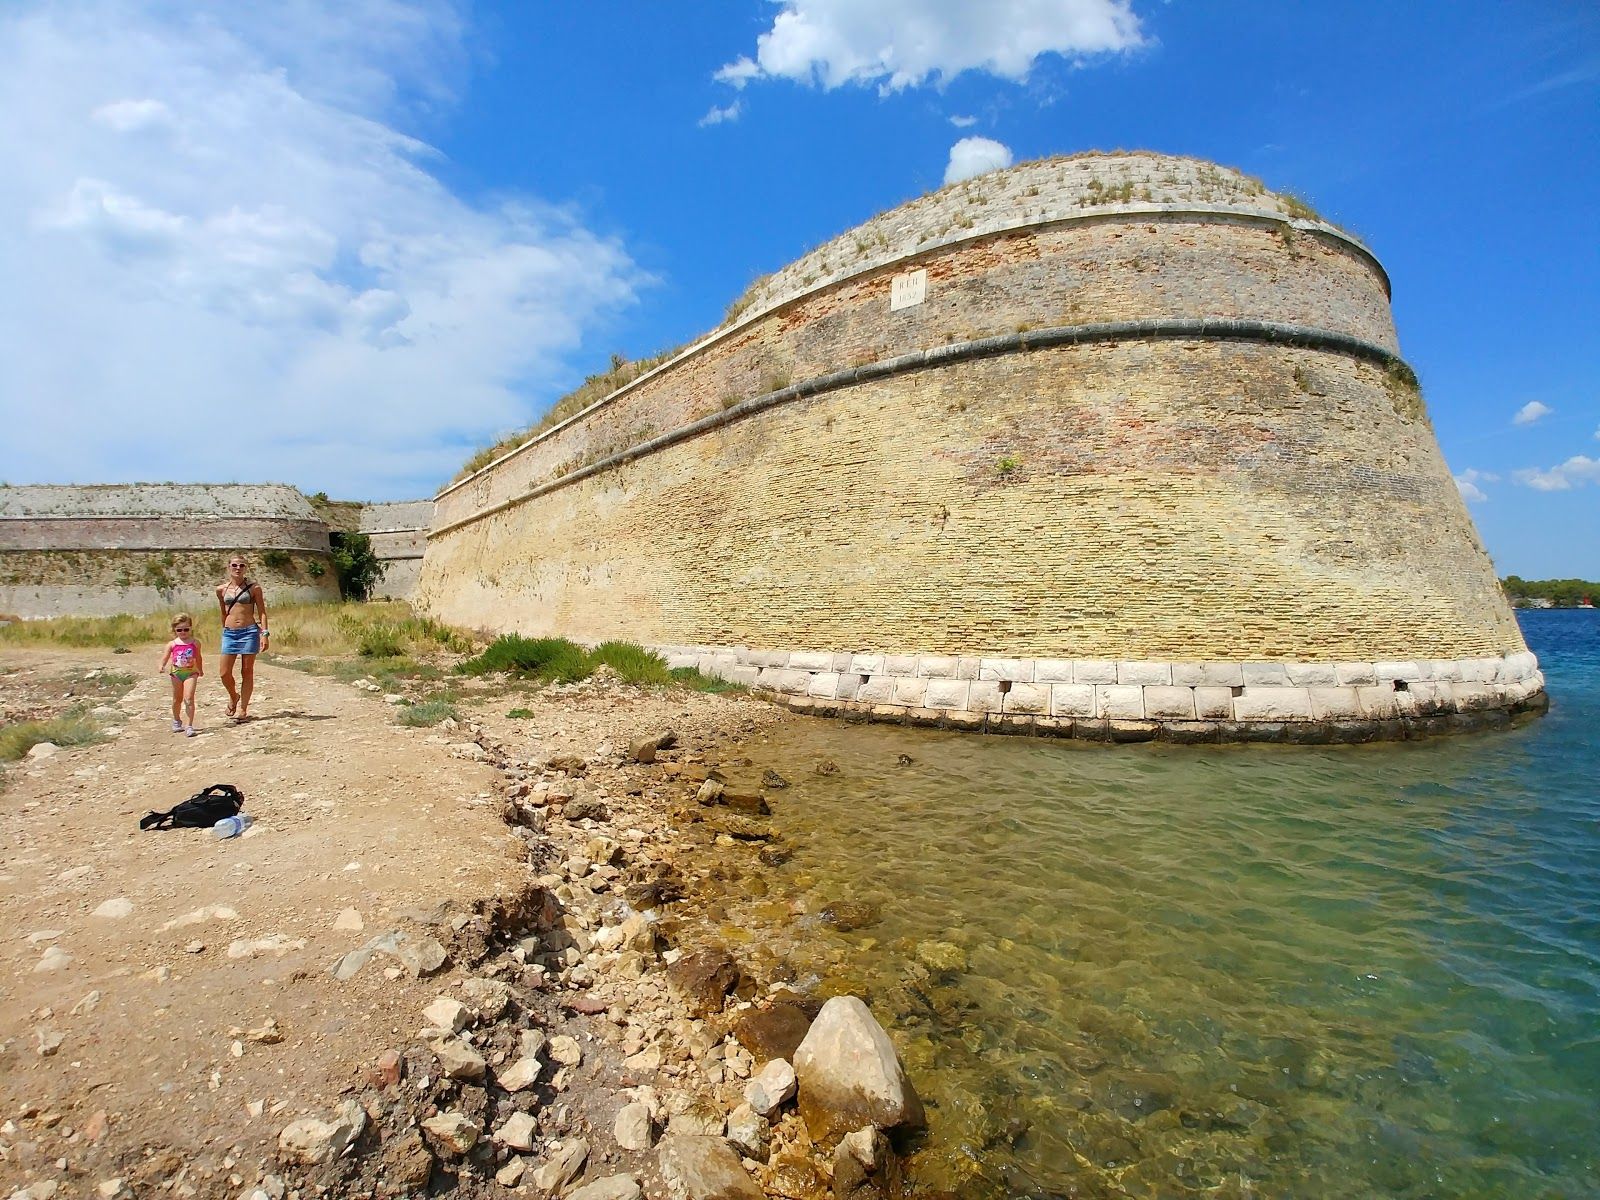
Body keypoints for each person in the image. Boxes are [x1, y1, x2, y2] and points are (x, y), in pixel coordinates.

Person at [216, 555, 270, 721]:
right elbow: (223, 612)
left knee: (247, 671)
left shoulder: (254, 588)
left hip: (249, 632)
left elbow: (262, 612)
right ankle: (234, 696)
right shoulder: (221, 590)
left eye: (241, 565)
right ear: (228, 567)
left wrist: (265, 634)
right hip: (230, 633)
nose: (238, 568)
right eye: (234, 565)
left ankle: (243, 709)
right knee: (224, 673)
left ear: (246, 568)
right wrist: (224, 629)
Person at [159, 612, 203, 736]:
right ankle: (177, 720)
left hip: (191, 673)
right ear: (174, 630)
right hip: (176, 674)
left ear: (190, 628)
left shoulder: (195, 643)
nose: (183, 632)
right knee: (177, 699)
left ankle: (189, 726)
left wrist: (200, 669)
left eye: (186, 629)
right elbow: (165, 657)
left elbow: (198, 657)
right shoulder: (172, 644)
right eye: (179, 630)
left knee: (189, 698)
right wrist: (161, 665)